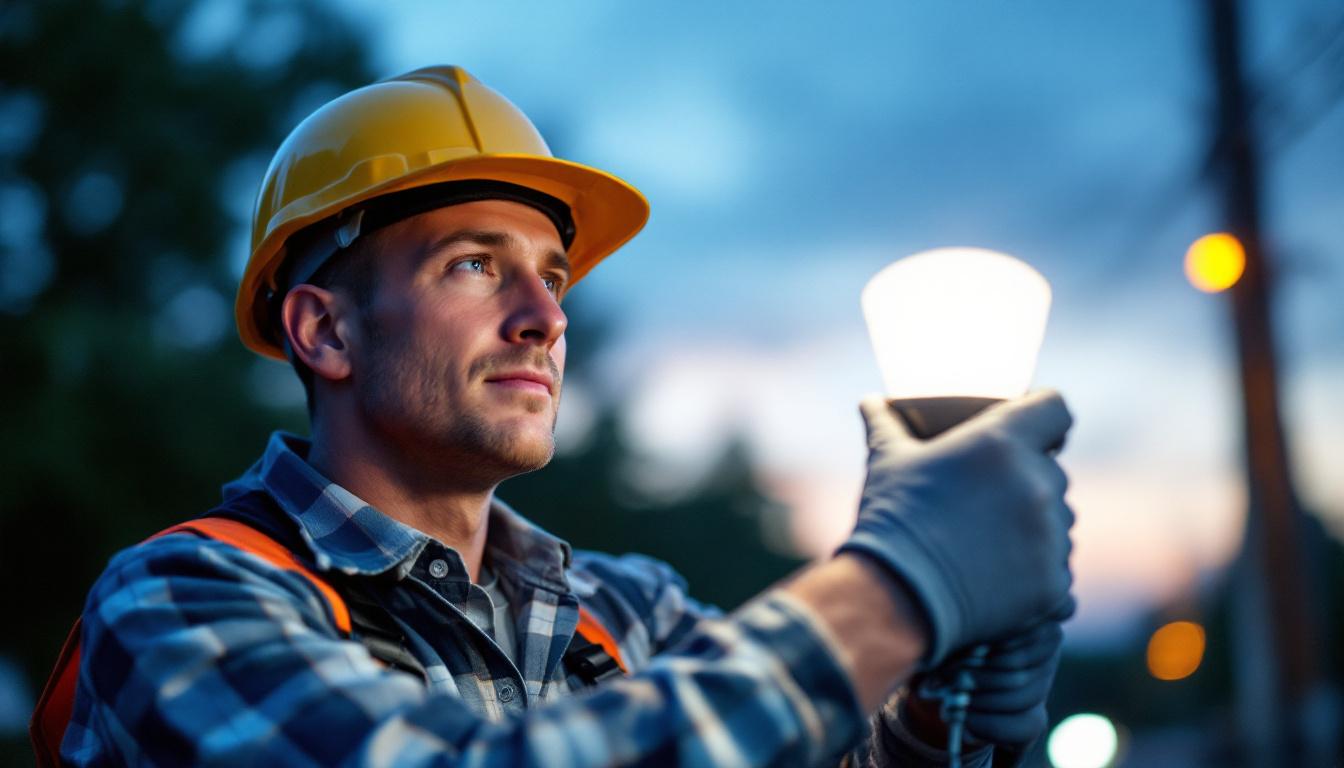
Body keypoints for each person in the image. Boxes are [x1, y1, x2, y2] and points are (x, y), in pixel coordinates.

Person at [50, 66, 1075, 767]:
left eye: (551, 276)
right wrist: (896, 593)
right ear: (324, 330)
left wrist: (938, 710)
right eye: (474, 266)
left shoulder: (629, 614)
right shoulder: (178, 604)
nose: (545, 318)